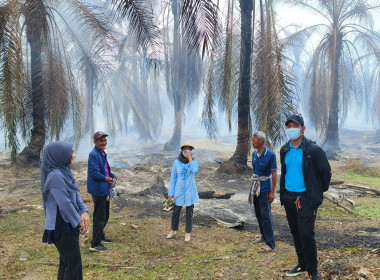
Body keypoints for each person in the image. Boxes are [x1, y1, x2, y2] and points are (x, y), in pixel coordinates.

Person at [280, 114, 331, 280]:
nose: (291, 129)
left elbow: (325, 172)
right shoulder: (285, 150)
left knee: (307, 233)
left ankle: (313, 271)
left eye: (295, 126)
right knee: (295, 232)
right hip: (289, 198)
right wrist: (285, 195)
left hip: (306, 199)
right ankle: (302, 264)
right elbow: (285, 172)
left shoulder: (313, 150)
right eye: (288, 126)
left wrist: (317, 192)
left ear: (303, 128)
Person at [41, 141, 90, 280]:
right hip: (61, 226)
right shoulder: (55, 176)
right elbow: (65, 204)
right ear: (59, 155)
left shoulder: (64, 171)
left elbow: (75, 193)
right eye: (71, 152)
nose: (74, 155)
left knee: (66, 263)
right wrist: (78, 222)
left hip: (67, 223)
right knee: (73, 265)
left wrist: (83, 211)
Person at [87, 131, 117, 251]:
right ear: (95, 142)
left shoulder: (102, 153)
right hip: (98, 189)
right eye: (100, 141)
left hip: (104, 188)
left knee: (105, 214)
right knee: (99, 216)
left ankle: (101, 236)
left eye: (104, 140)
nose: (103, 143)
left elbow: (105, 170)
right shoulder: (93, 154)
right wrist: (107, 179)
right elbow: (94, 173)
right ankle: (95, 243)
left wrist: (112, 175)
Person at [249, 131, 277, 252]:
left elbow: (274, 173)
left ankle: (270, 244)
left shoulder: (271, 155)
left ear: (260, 141)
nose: (252, 142)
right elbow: (254, 170)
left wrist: (272, 191)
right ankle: (264, 236)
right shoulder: (254, 154)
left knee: (266, 215)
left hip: (265, 188)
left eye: (254, 140)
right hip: (255, 188)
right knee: (258, 213)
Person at [167, 142, 199, 242]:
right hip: (178, 191)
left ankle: (188, 233)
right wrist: (170, 193)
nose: (187, 151)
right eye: (185, 149)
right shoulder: (176, 162)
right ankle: (173, 230)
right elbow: (173, 178)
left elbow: (194, 170)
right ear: (182, 150)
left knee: (189, 213)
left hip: (190, 191)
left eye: (189, 149)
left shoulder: (194, 161)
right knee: (176, 212)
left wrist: (190, 159)